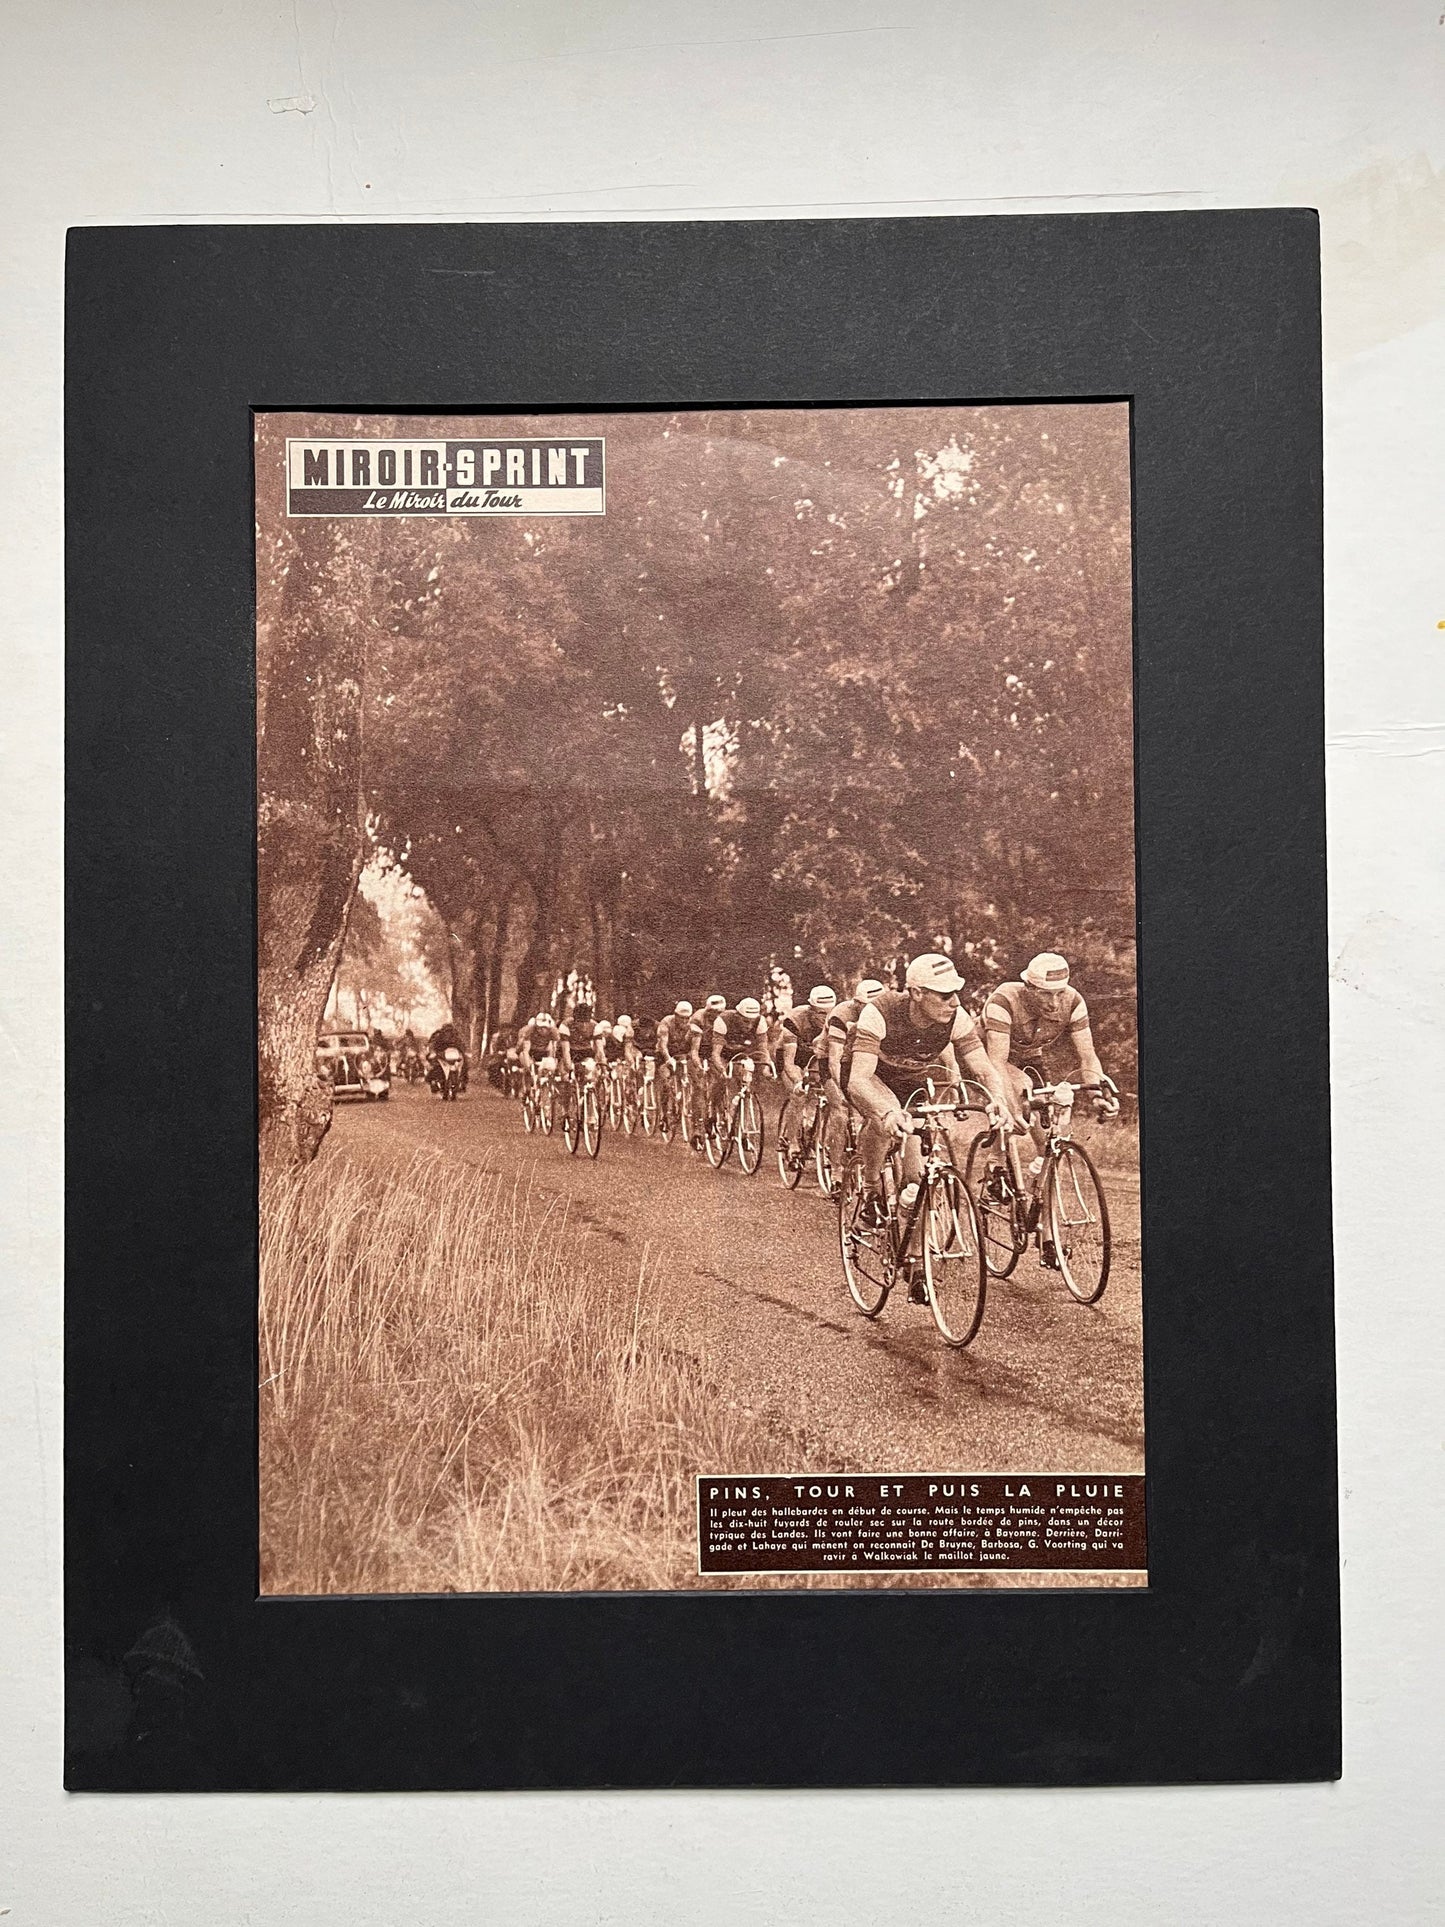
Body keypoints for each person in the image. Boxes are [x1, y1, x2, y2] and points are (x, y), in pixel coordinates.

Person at [845, 953, 1022, 1297]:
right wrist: (886, 1113)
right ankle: (869, 1189)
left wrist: (996, 1099)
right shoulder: (879, 1011)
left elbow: (985, 1070)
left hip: (912, 1079)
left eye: (956, 992)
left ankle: (915, 1262)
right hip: (869, 1076)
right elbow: (859, 1080)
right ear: (916, 993)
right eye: (944, 994)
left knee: (916, 1177)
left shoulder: (956, 1018)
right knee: (886, 1118)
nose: (953, 1001)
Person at [982, 953, 1119, 1162]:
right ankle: (996, 1165)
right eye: (1046, 994)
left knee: (1048, 1136)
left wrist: (1097, 1094)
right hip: (987, 1057)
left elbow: (1088, 1056)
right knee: (1020, 1093)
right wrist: (1013, 1109)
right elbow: (997, 1062)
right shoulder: (1004, 1001)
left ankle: (1043, 1185)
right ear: (1028, 987)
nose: (1054, 1004)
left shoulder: (1073, 1002)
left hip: (1028, 1055)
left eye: (1059, 993)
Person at [707, 995, 775, 1123]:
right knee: (720, 1077)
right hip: (724, 1052)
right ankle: (712, 1109)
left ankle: (740, 1117)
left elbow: (763, 1049)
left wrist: (766, 1066)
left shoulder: (760, 1022)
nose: (749, 1026)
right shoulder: (723, 1020)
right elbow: (716, 1053)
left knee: (744, 1078)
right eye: (745, 1021)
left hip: (743, 1052)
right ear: (738, 1016)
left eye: (752, 1022)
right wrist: (722, 1069)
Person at [778, 985, 837, 1092]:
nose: (826, 1019)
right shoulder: (793, 1020)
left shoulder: (837, 1019)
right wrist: (798, 1081)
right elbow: (789, 1062)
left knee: (836, 1100)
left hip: (815, 1054)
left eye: (830, 1013)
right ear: (810, 1010)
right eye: (822, 1013)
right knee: (798, 1097)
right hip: (792, 1055)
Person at [426, 1019, 467, 1094]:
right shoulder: (438, 1036)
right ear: (443, 1031)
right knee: (435, 1065)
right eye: (446, 1031)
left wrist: (464, 1051)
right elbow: (433, 1044)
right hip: (442, 1055)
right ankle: (433, 1081)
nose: (448, 1033)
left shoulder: (456, 1036)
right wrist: (434, 1052)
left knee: (464, 1064)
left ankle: (463, 1082)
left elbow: (461, 1044)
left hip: (453, 1054)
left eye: (449, 1031)